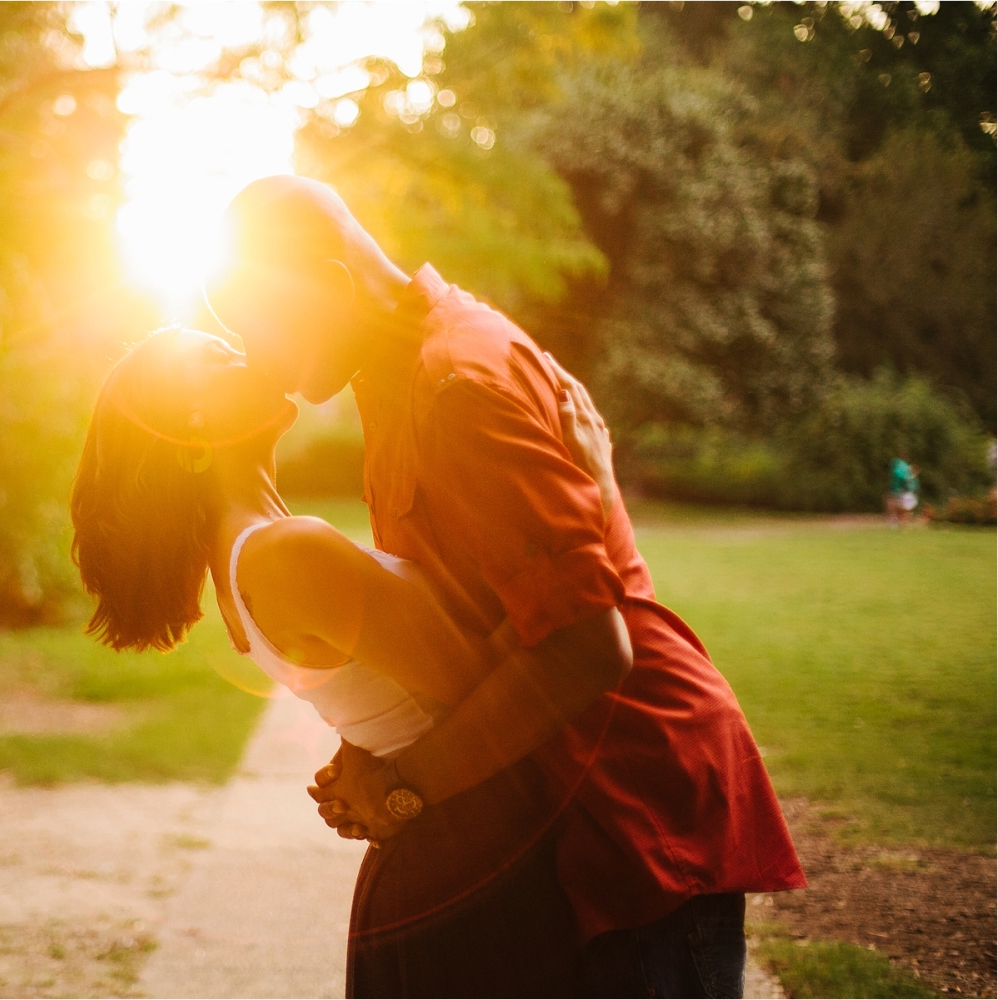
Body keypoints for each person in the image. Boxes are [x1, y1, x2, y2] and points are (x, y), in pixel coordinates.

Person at [204, 175, 805, 998]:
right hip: (562, 813)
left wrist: (405, 784)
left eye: (261, 329)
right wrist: (382, 746)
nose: (258, 361)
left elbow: (587, 645)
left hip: (633, 808)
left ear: (331, 288)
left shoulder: (456, 383)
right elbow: (476, 613)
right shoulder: (392, 376)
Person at [70, 327, 625, 995]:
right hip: (468, 870)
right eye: (219, 359)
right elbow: (501, 678)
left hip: (456, 861)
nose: (251, 352)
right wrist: (589, 494)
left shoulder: (257, 551)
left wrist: (371, 751)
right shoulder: (283, 554)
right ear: (192, 428)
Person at [888, 454, 920, 526]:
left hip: (904, 495)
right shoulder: (909, 477)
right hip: (905, 495)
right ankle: (900, 523)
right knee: (903, 510)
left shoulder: (907, 476)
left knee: (899, 509)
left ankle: (898, 523)